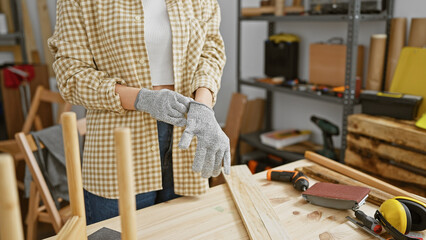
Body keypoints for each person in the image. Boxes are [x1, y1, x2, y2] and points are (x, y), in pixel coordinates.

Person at [48, 0, 229, 225]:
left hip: (185, 137)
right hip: (118, 144)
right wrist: (142, 99)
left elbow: (210, 52)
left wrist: (203, 105)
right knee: (116, 232)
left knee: (182, 231)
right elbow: (71, 74)